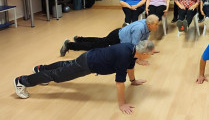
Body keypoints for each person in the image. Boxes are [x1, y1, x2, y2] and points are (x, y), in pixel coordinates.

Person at [14, 41, 156, 114]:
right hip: (88, 64)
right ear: (144, 54)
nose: (151, 55)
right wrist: (122, 104)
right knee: (57, 76)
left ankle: (40, 69)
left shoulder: (132, 49)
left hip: (89, 56)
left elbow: (130, 68)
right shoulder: (124, 56)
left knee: (67, 65)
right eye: (150, 54)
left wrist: (133, 81)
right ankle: (22, 81)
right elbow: (119, 83)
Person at [60, 15, 160, 56]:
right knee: (94, 47)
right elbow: (134, 45)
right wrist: (139, 57)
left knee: (100, 41)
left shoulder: (147, 25)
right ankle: (69, 45)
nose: (157, 26)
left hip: (118, 34)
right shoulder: (140, 28)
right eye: (156, 24)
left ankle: (79, 39)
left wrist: (149, 49)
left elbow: (144, 40)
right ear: (149, 24)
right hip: (116, 38)